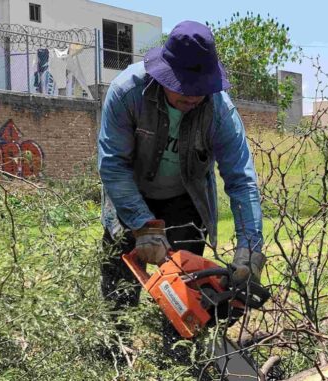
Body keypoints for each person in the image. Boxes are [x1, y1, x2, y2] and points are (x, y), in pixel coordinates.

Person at [97, 20, 265, 355]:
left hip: (185, 203)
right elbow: (113, 164)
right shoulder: (127, 92)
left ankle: (174, 362)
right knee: (118, 298)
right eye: (183, 86)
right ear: (163, 74)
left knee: (186, 304)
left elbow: (241, 179)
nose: (191, 95)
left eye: (198, 87)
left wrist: (250, 248)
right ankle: (113, 359)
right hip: (129, 198)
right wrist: (143, 225)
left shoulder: (220, 111)